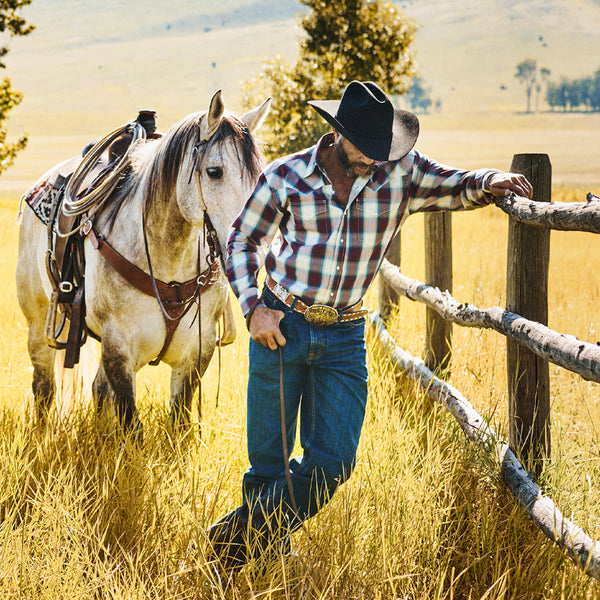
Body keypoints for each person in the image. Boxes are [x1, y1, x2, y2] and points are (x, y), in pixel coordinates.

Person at [208, 80, 533, 573]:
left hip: (343, 336)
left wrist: (491, 179)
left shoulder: (401, 172)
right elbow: (241, 240)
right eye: (367, 151)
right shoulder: (286, 175)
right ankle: (261, 567)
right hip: (280, 324)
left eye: (385, 151)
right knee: (268, 464)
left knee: (333, 462)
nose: (376, 161)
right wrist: (253, 306)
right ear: (338, 134)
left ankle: (227, 546)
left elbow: (455, 183)